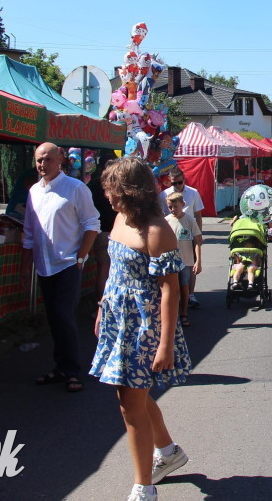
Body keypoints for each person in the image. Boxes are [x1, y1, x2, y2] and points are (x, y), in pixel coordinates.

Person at [91, 156, 191, 501]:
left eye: (113, 190)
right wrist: (103, 309)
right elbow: (115, 272)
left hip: (144, 327)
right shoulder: (120, 218)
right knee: (136, 395)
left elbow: (170, 290)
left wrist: (165, 344)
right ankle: (167, 451)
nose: (108, 196)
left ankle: (143, 487)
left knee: (128, 402)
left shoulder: (157, 230)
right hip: (119, 320)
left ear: (132, 191)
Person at [22, 143, 100, 394]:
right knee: (54, 318)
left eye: (46, 159)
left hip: (67, 264)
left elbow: (92, 224)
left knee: (65, 317)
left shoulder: (76, 188)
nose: (41, 165)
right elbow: (28, 232)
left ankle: (73, 370)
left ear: (60, 160)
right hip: (44, 266)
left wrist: (80, 258)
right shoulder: (34, 191)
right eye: (38, 160)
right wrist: (26, 269)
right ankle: (61, 367)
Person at [159, 169, 204, 309]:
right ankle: (176, 296)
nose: (177, 185)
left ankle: (190, 294)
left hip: (188, 232)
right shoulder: (164, 194)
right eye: (174, 183)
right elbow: (161, 215)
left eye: (180, 182)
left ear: (184, 179)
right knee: (173, 267)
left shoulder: (193, 193)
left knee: (190, 264)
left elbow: (198, 214)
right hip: (171, 234)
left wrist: (199, 235)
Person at [164, 192, 202, 328]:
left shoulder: (190, 220)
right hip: (171, 261)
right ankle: (171, 315)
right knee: (172, 289)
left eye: (176, 206)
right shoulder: (166, 221)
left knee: (184, 287)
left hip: (186, 261)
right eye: (170, 207)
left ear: (183, 205)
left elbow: (197, 241)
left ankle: (184, 313)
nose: (173, 209)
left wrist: (198, 261)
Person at [89, 161, 119, 300]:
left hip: (102, 230)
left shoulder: (94, 186)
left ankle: (101, 304)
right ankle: (106, 305)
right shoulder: (118, 185)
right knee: (115, 270)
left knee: (103, 269)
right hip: (115, 231)